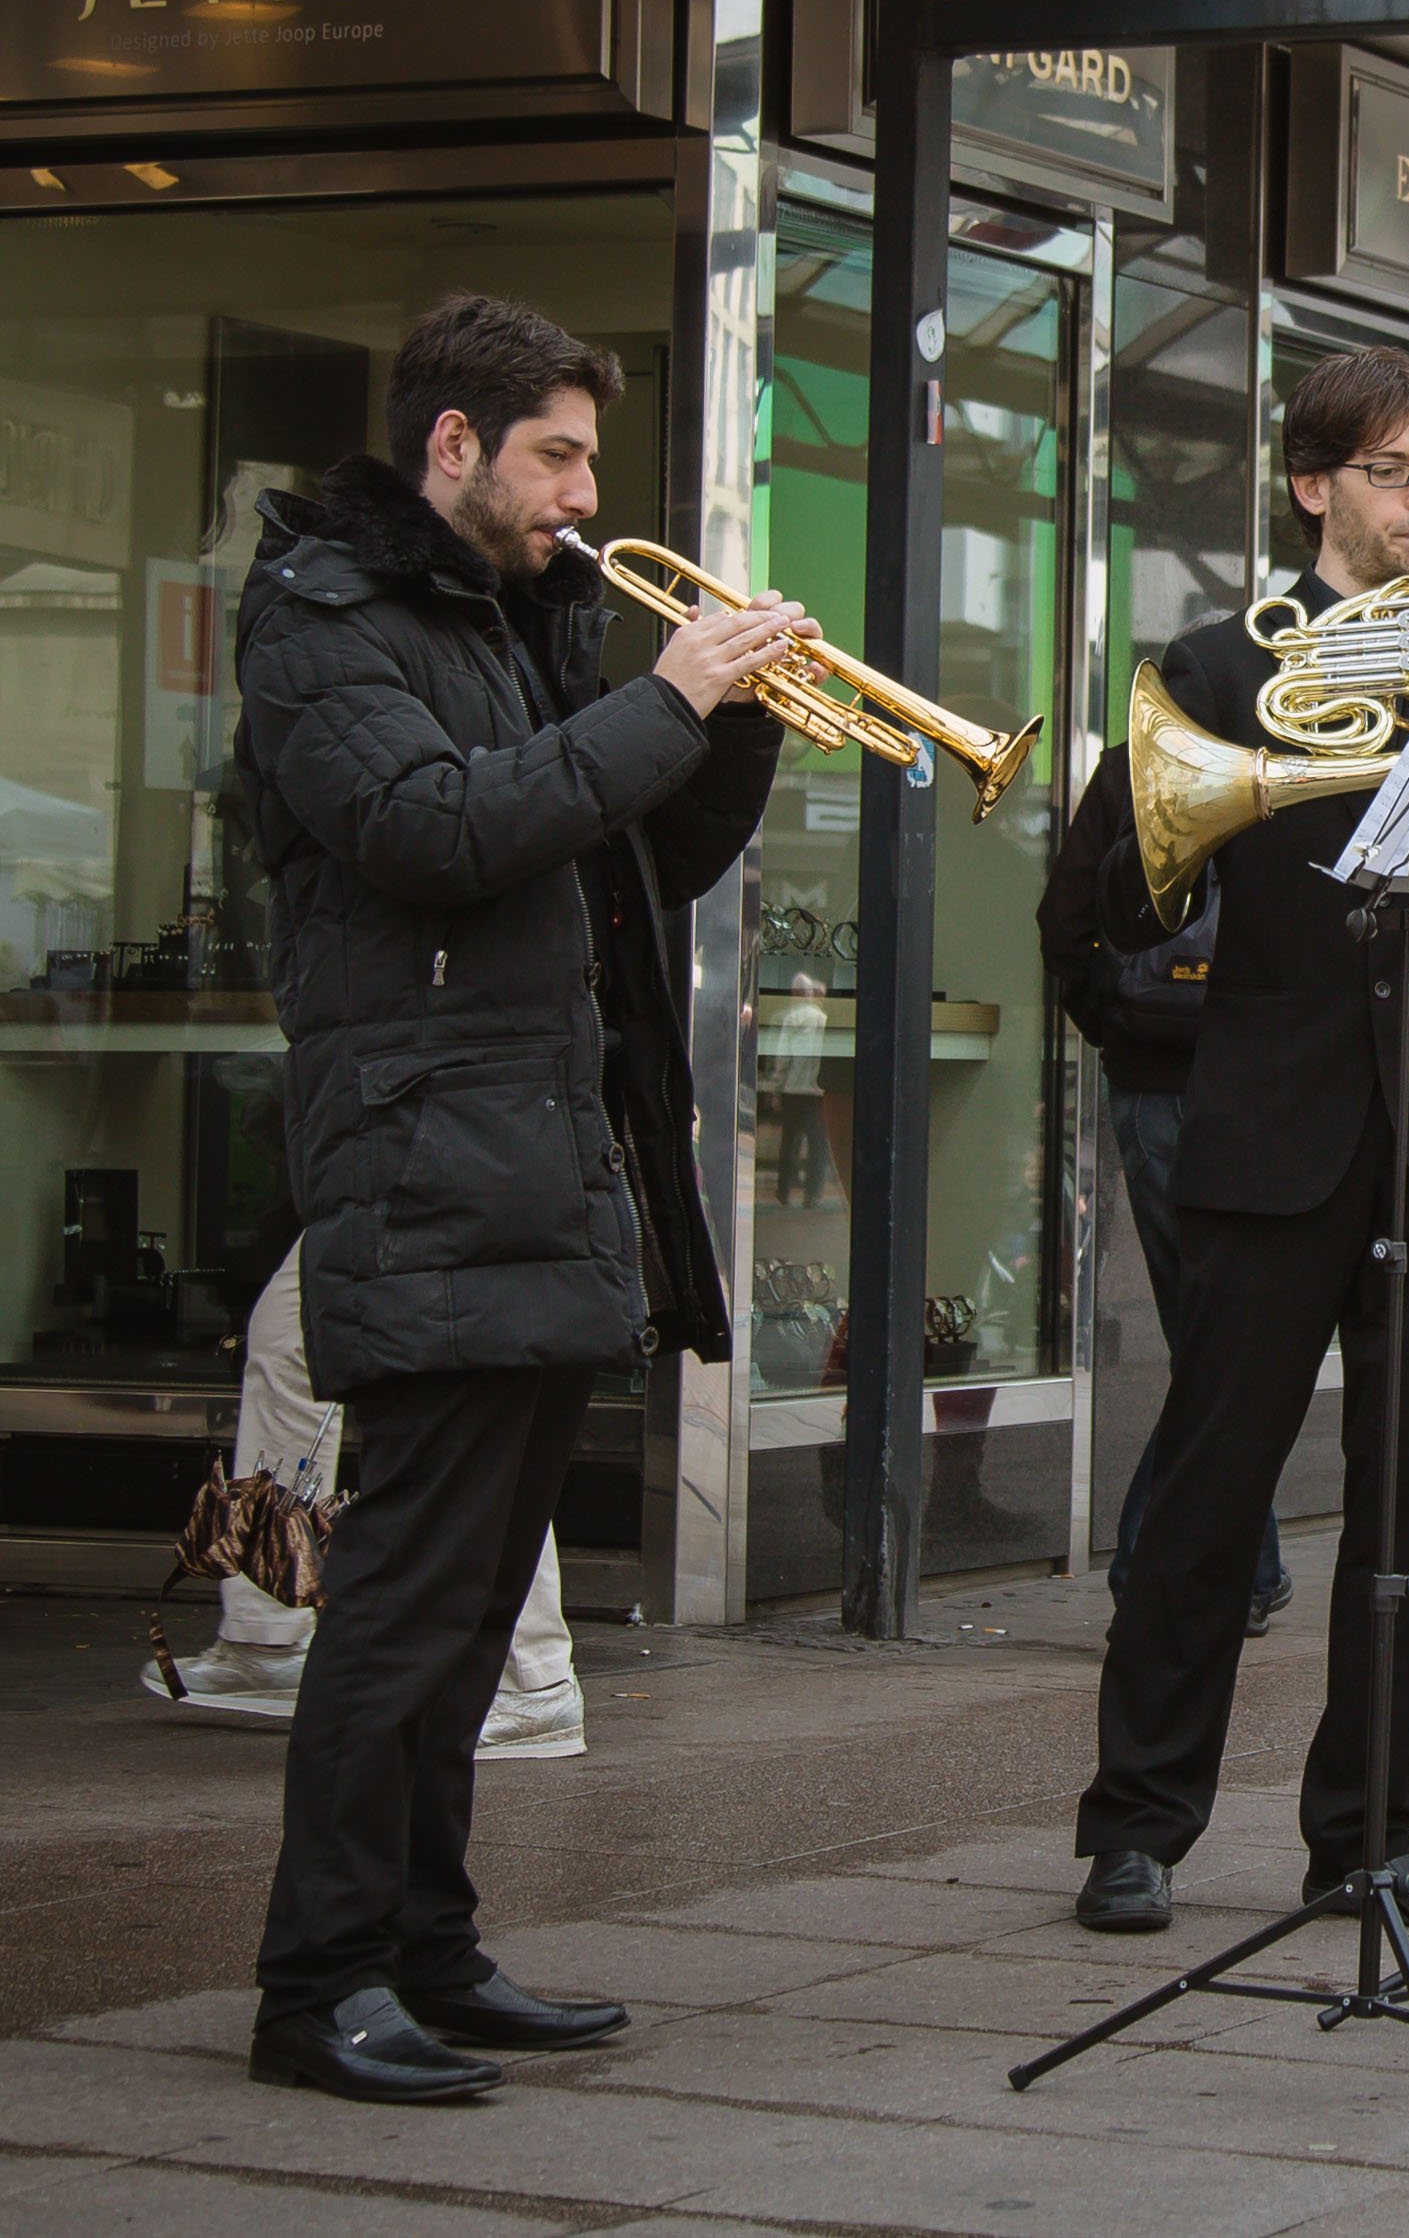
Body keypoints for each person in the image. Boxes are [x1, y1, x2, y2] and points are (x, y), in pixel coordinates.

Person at [231, 294, 800, 2100]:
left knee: (475, 1602)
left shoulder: (523, 615)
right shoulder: (320, 621)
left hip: (546, 1151)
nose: (580, 494)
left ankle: (429, 1948)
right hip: (421, 1150)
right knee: (403, 1596)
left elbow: (638, 858)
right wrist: (664, 697)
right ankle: (315, 1986)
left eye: (589, 460)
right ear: (453, 444)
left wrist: (747, 716)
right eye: (555, 455)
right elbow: (438, 833)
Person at [1063, 346, 1409, 1941]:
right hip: (1276, 1121)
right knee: (1212, 1492)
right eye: (1392, 470)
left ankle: (1372, 1836)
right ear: (1311, 484)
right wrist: (1177, 1048)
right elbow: (1098, 901)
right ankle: (1136, 1824)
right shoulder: (1215, 667)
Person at [1037, 744, 1300, 1641]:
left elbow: (1065, 922)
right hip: (1263, 1083)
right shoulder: (1299, 761)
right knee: (1232, 1341)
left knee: (1215, 1336)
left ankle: (1242, 1566)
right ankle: (1159, 1564)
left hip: (1154, 1081)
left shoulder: (1131, 765)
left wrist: (1118, 1029)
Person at [143, 1249, 583, 1760]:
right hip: (388, 1182)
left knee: (457, 1370)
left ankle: (534, 1676)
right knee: (291, 1335)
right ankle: (267, 1635)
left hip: (458, 1187)